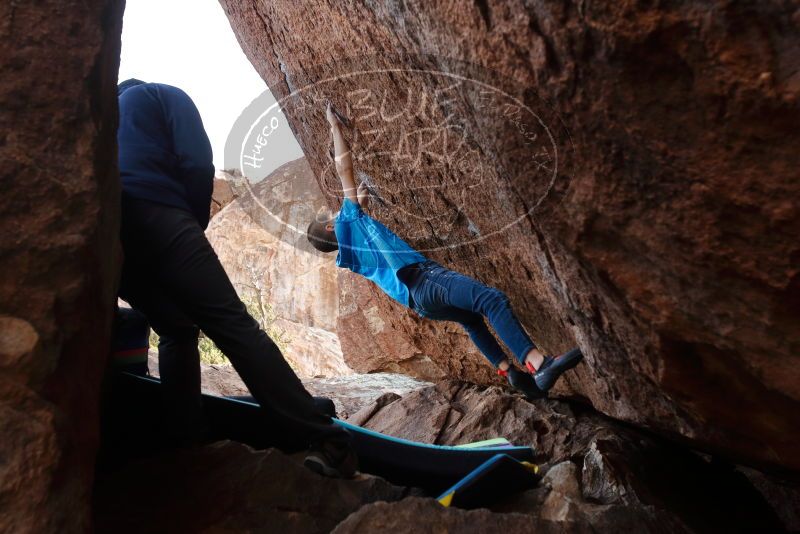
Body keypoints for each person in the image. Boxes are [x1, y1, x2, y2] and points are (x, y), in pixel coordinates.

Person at [116, 79, 356, 478]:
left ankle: (186, 438)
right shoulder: (160, 94)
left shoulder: (105, 112)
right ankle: (331, 442)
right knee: (232, 326)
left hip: (112, 229)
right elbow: (195, 161)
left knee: (175, 329)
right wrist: (192, 224)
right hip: (159, 211)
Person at [307, 102, 583, 399]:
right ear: (330, 229)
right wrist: (334, 127)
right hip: (425, 280)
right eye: (330, 215)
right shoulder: (348, 220)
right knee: (491, 300)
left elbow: (356, 205)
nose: (335, 210)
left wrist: (359, 200)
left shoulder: (348, 249)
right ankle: (538, 364)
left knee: (471, 320)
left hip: (421, 303)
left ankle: (510, 372)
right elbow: (343, 168)